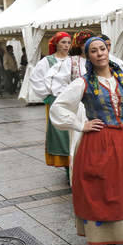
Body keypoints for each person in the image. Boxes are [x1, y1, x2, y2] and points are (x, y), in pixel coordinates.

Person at [50, 37, 123, 245]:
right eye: (94, 51)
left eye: (102, 49)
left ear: (108, 51)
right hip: (97, 142)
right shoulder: (83, 83)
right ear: (88, 57)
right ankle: (111, 244)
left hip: (122, 140)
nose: (99, 54)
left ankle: (121, 230)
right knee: (105, 189)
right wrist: (81, 124)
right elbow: (58, 107)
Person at [29, 32, 72, 170]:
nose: (66, 45)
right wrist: (47, 95)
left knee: (73, 130)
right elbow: (35, 78)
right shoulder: (47, 61)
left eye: (68, 42)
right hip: (56, 101)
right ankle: (65, 163)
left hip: (73, 102)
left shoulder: (73, 60)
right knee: (60, 131)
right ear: (56, 44)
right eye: (63, 42)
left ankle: (73, 160)